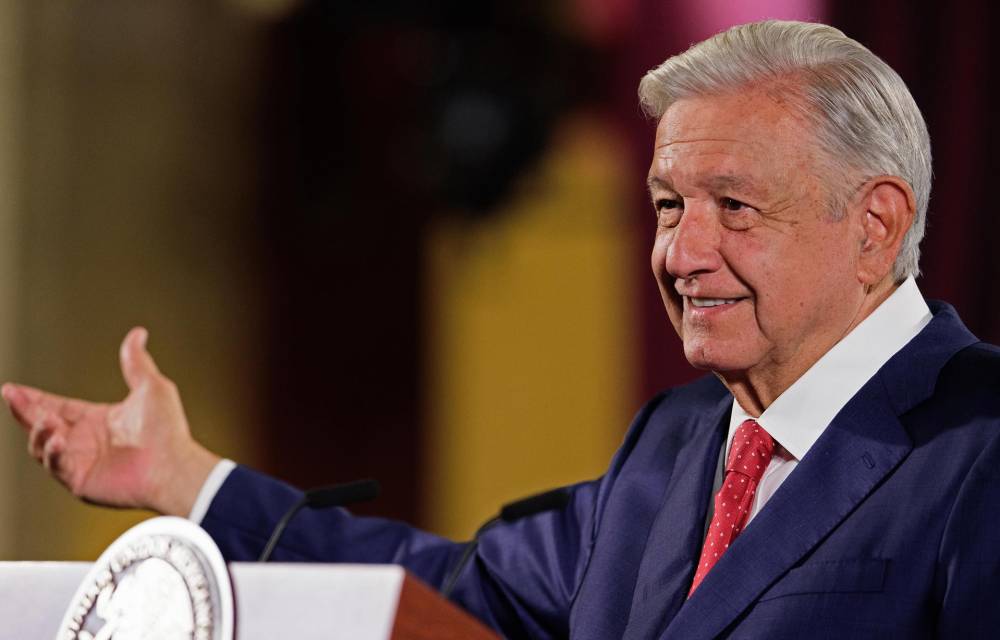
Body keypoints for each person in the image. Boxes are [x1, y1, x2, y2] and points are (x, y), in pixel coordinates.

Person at [5, 20, 999, 639]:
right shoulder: (674, 441)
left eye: (733, 207)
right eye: (664, 207)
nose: (681, 253)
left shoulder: (980, 444)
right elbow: (452, 594)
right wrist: (185, 480)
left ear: (874, 224)